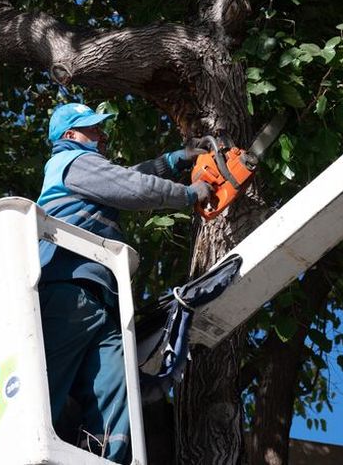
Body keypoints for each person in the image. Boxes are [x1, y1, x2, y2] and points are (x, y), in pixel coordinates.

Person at [35, 102, 212, 464]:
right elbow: (129, 186)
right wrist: (189, 194)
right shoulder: (71, 162)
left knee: (116, 390)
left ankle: (104, 458)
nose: (101, 135)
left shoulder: (84, 169)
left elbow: (123, 178)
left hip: (97, 303)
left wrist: (174, 161)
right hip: (68, 290)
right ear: (70, 136)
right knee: (41, 398)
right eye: (92, 129)